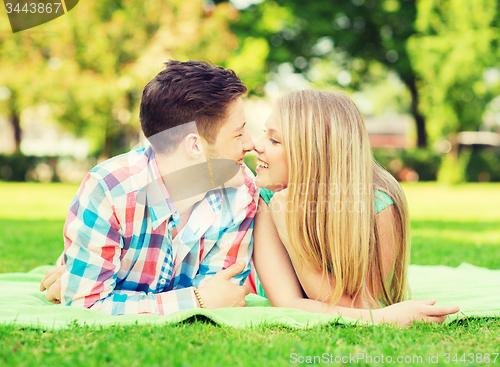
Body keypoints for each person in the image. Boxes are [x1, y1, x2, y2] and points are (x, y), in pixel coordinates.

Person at [39, 60, 259, 315]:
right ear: (195, 146)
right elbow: (87, 306)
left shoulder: (241, 192)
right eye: (238, 134)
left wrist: (108, 297)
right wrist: (196, 300)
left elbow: (222, 295)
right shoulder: (110, 190)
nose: (251, 143)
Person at [251, 90, 459, 326]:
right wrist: (384, 318)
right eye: (263, 134)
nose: (255, 145)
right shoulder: (268, 199)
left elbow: (358, 305)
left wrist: (291, 234)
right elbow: (287, 302)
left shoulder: (379, 205)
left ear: (315, 152)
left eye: (274, 139)